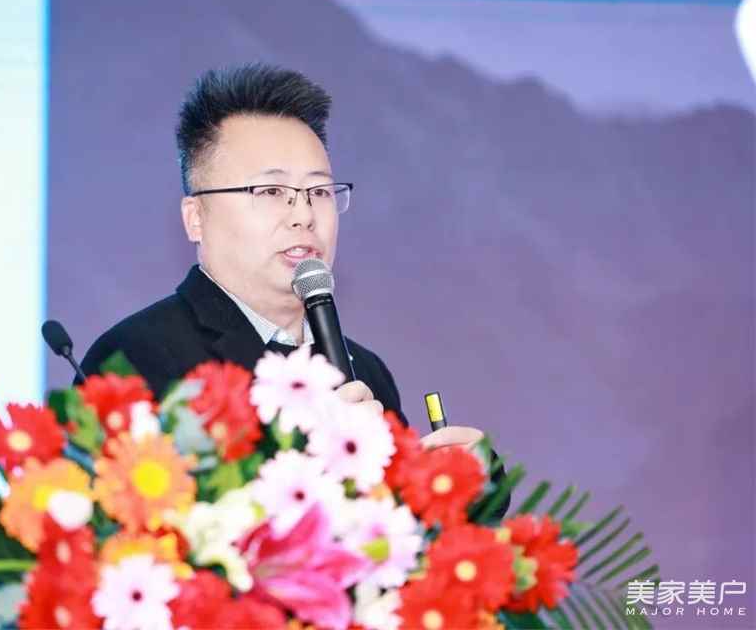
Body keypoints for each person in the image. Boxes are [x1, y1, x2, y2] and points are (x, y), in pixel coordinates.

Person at [80, 63, 508, 516]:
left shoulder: (364, 370)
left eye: (319, 192)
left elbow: (392, 539)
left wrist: (461, 488)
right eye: (270, 191)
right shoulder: (134, 359)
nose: (303, 215)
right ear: (196, 218)